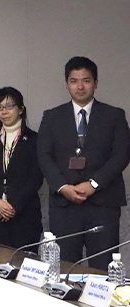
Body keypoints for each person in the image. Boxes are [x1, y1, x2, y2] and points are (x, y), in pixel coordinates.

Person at [38, 56, 130, 270]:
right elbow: (44, 155)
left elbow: (121, 155)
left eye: (86, 80)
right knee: (64, 267)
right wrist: (63, 187)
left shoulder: (114, 116)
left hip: (103, 203)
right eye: (74, 81)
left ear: (96, 83)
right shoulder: (52, 117)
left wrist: (93, 184)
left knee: (103, 267)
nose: (80, 86)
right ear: (67, 83)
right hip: (65, 204)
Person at [0, 87, 43, 248]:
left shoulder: (34, 140)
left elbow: (36, 177)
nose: (4, 112)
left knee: (24, 265)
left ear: (21, 109)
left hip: (25, 214)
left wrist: (14, 205)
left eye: (9, 106)